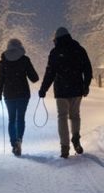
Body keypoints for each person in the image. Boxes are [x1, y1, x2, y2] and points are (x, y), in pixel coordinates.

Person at [38, 27, 93, 158]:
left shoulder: (55, 52)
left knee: (62, 117)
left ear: (56, 38)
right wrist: (86, 86)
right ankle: (76, 139)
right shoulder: (79, 49)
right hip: (77, 89)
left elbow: (50, 72)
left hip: (62, 90)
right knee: (75, 115)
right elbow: (88, 70)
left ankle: (65, 147)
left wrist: (43, 89)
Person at [0, 38, 39, 156]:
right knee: (21, 118)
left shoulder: (3, 62)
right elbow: (34, 78)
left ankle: (14, 144)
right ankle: (19, 140)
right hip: (23, 94)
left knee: (12, 119)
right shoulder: (24, 60)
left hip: (9, 95)